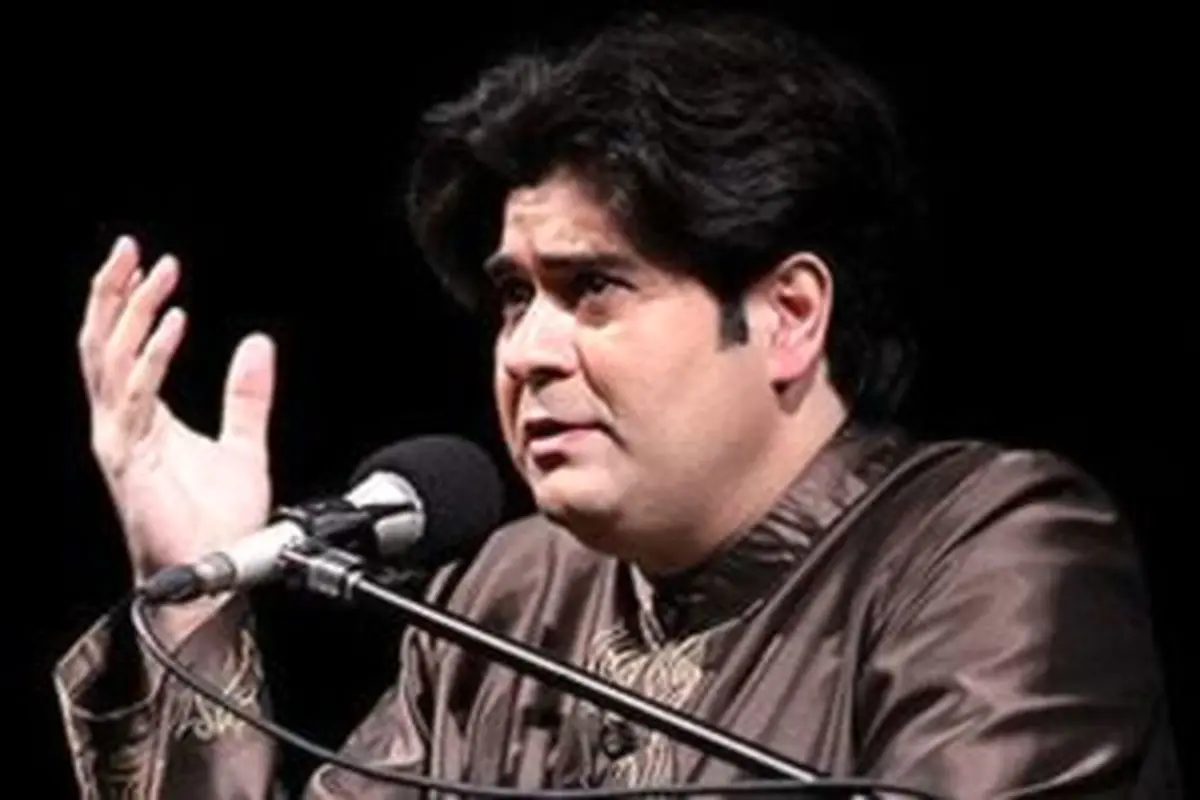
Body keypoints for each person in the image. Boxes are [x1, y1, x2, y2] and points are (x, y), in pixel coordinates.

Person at [56, 9, 1180, 799]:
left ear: (789, 314)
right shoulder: (505, 597)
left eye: (594, 287)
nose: (528, 351)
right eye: (513, 298)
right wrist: (199, 602)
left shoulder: (991, 550)